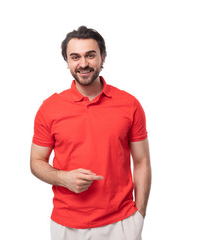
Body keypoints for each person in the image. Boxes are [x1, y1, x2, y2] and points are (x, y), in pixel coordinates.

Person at [30, 26, 151, 240]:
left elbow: (141, 162)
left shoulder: (129, 105)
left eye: (90, 55)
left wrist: (138, 216)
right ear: (67, 61)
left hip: (121, 223)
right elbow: (36, 161)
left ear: (102, 58)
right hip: (67, 225)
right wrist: (63, 178)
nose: (83, 64)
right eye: (75, 57)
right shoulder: (50, 108)